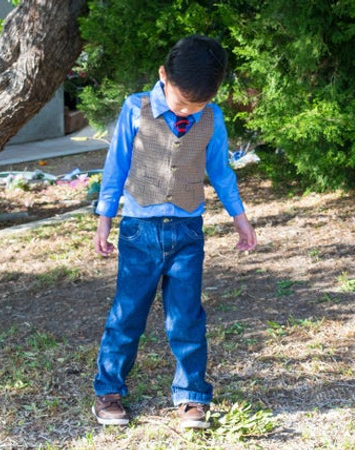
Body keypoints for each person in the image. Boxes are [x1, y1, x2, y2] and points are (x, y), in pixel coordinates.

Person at [91, 35, 257, 428]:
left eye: (196, 106)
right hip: (138, 232)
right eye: (182, 102)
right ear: (163, 74)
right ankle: (109, 390)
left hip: (187, 232)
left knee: (186, 317)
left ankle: (192, 395)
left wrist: (240, 217)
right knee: (127, 315)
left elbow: (220, 171)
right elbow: (115, 169)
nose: (187, 111)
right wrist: (104, 218)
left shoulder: (212, 118)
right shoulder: (136, 108)